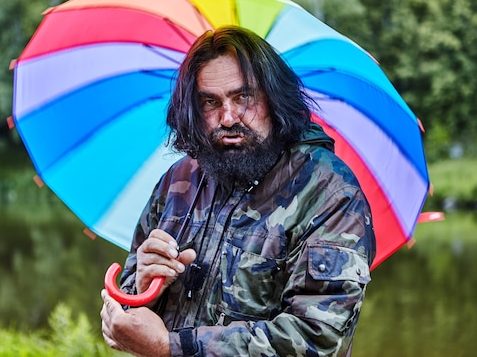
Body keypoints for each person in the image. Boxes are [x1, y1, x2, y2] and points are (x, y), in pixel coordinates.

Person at [100, 25, 376, 357]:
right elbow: (133, 298)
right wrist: (142, 288)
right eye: (209, 102)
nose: (228, 117)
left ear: (273, 98)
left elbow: (315, 340)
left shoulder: (329, 193)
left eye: (243, 97)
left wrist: (170, 347)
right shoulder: (180, 179)